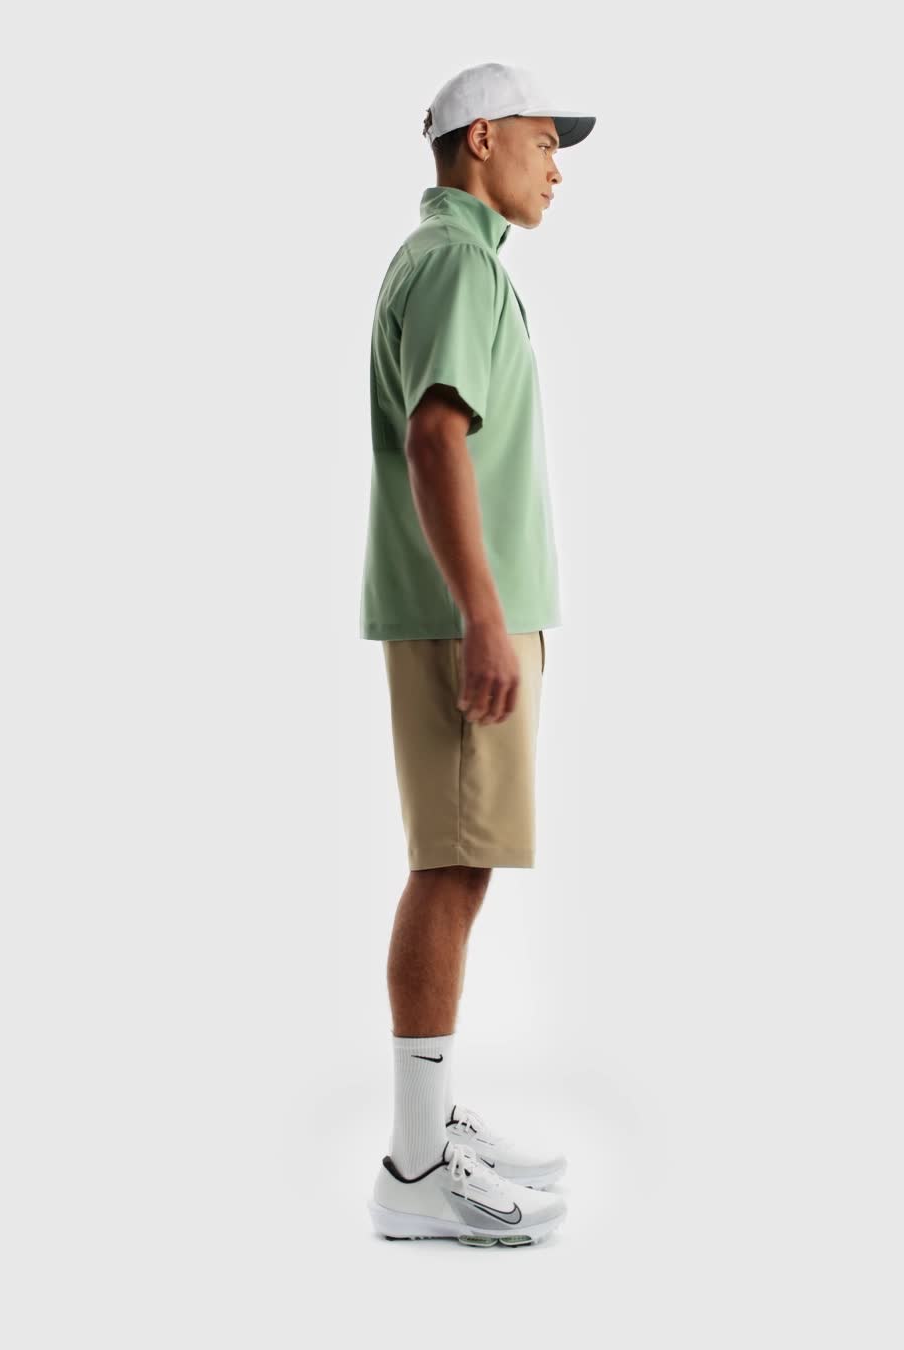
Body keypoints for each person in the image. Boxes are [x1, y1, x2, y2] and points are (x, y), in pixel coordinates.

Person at [359, 63, 596, 1246]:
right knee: (450, 869)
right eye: (546, 143)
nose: (558, 169)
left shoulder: (457, 260)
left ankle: (429, 1122)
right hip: (465, 620)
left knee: (461, 864)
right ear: (483, 137)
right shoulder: (457, 263)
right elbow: (434, 439)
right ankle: (415, 1171)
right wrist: (486, 619)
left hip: (470, 613)